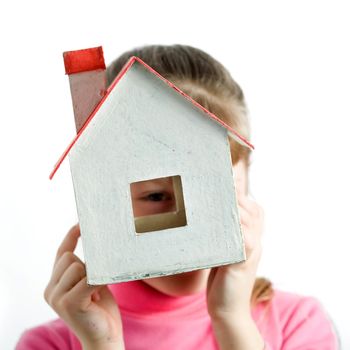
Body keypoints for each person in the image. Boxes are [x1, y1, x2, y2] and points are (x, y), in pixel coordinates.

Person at [16, 44, 339, 349]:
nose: (186, 220)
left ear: (246, 180)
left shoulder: (298, 322)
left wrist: (231, 320)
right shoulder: (50, 344)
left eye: (217, 189)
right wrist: (102, 344)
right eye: (155, 197)